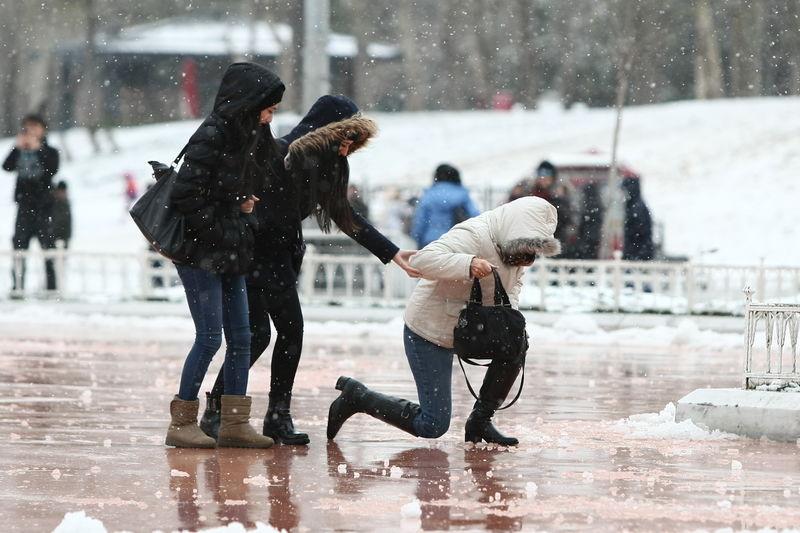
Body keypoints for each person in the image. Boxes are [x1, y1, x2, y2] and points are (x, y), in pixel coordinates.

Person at [199, 95, 419, 446]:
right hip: (255, 254)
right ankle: (246, 414)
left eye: (353, 141)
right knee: (278, 333)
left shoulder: (332, 164)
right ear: (328, 131)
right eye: (345, 137)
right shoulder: (285, 152)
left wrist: (392, 252)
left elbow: (344, 215)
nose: (349, 147)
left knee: (262, 336)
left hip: (277, 256)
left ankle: (245, 413)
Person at [327, 196, 561, 445]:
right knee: (433, 424)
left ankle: (480, 422)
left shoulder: (516, 249)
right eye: (527, 247)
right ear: (516, 230)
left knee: (515, 342)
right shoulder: (474, 234)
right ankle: (358, 397)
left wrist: (508, 319)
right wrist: (467, 263)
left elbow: (513, 285)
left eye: (534, 250)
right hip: (429, 330)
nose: (528, 257)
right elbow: (422, 260)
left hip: (468, 327)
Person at [165, 62, 286, 449]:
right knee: (209, 337)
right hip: (201, 253)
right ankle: (181, 421)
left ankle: (234, 422)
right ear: (248, 103)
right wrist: (227, 219)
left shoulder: (246, 136)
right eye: (268, 107)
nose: (271, 115)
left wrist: (240, 206)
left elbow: (251, 177)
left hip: (232, 250)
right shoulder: (213, 134)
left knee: (242, 338)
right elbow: (188, 195)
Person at [2, 114, 60, 295]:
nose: (31, 131)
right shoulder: (20, 150)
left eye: (35, 127)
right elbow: (6, 166)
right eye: (27, 127)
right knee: (19, 248)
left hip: (44, 206)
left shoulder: (50, 150)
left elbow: (52, 169)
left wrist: (38, 149)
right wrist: (18, 148)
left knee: (48, 249)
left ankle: (52, 289)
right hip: (24, 206)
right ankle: (17, 287)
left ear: (43, 129)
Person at [411, 163, 480, 248]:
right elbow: (475, 216)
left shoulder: (429, 195)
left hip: (430, 241)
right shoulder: (462, 195)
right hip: (455, 241)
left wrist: (417, 238)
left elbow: (420, 221)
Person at [621, 176, 655, 260]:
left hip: (637, 255)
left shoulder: (636, 207)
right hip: (639, 253)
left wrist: (629, 253)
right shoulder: (635, 205)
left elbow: (637, 233)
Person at [575, 181, 603, 259]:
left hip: (588, 237)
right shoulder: (597, 203)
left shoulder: (588, 205)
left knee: (586, 256)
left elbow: (584, 222)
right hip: (594, 236)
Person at [51, 181, 72, 249]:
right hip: (52, 235)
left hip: (64, 235)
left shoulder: (66, 203)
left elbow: (68, 222)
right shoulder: (52, 203)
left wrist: (67, 237)